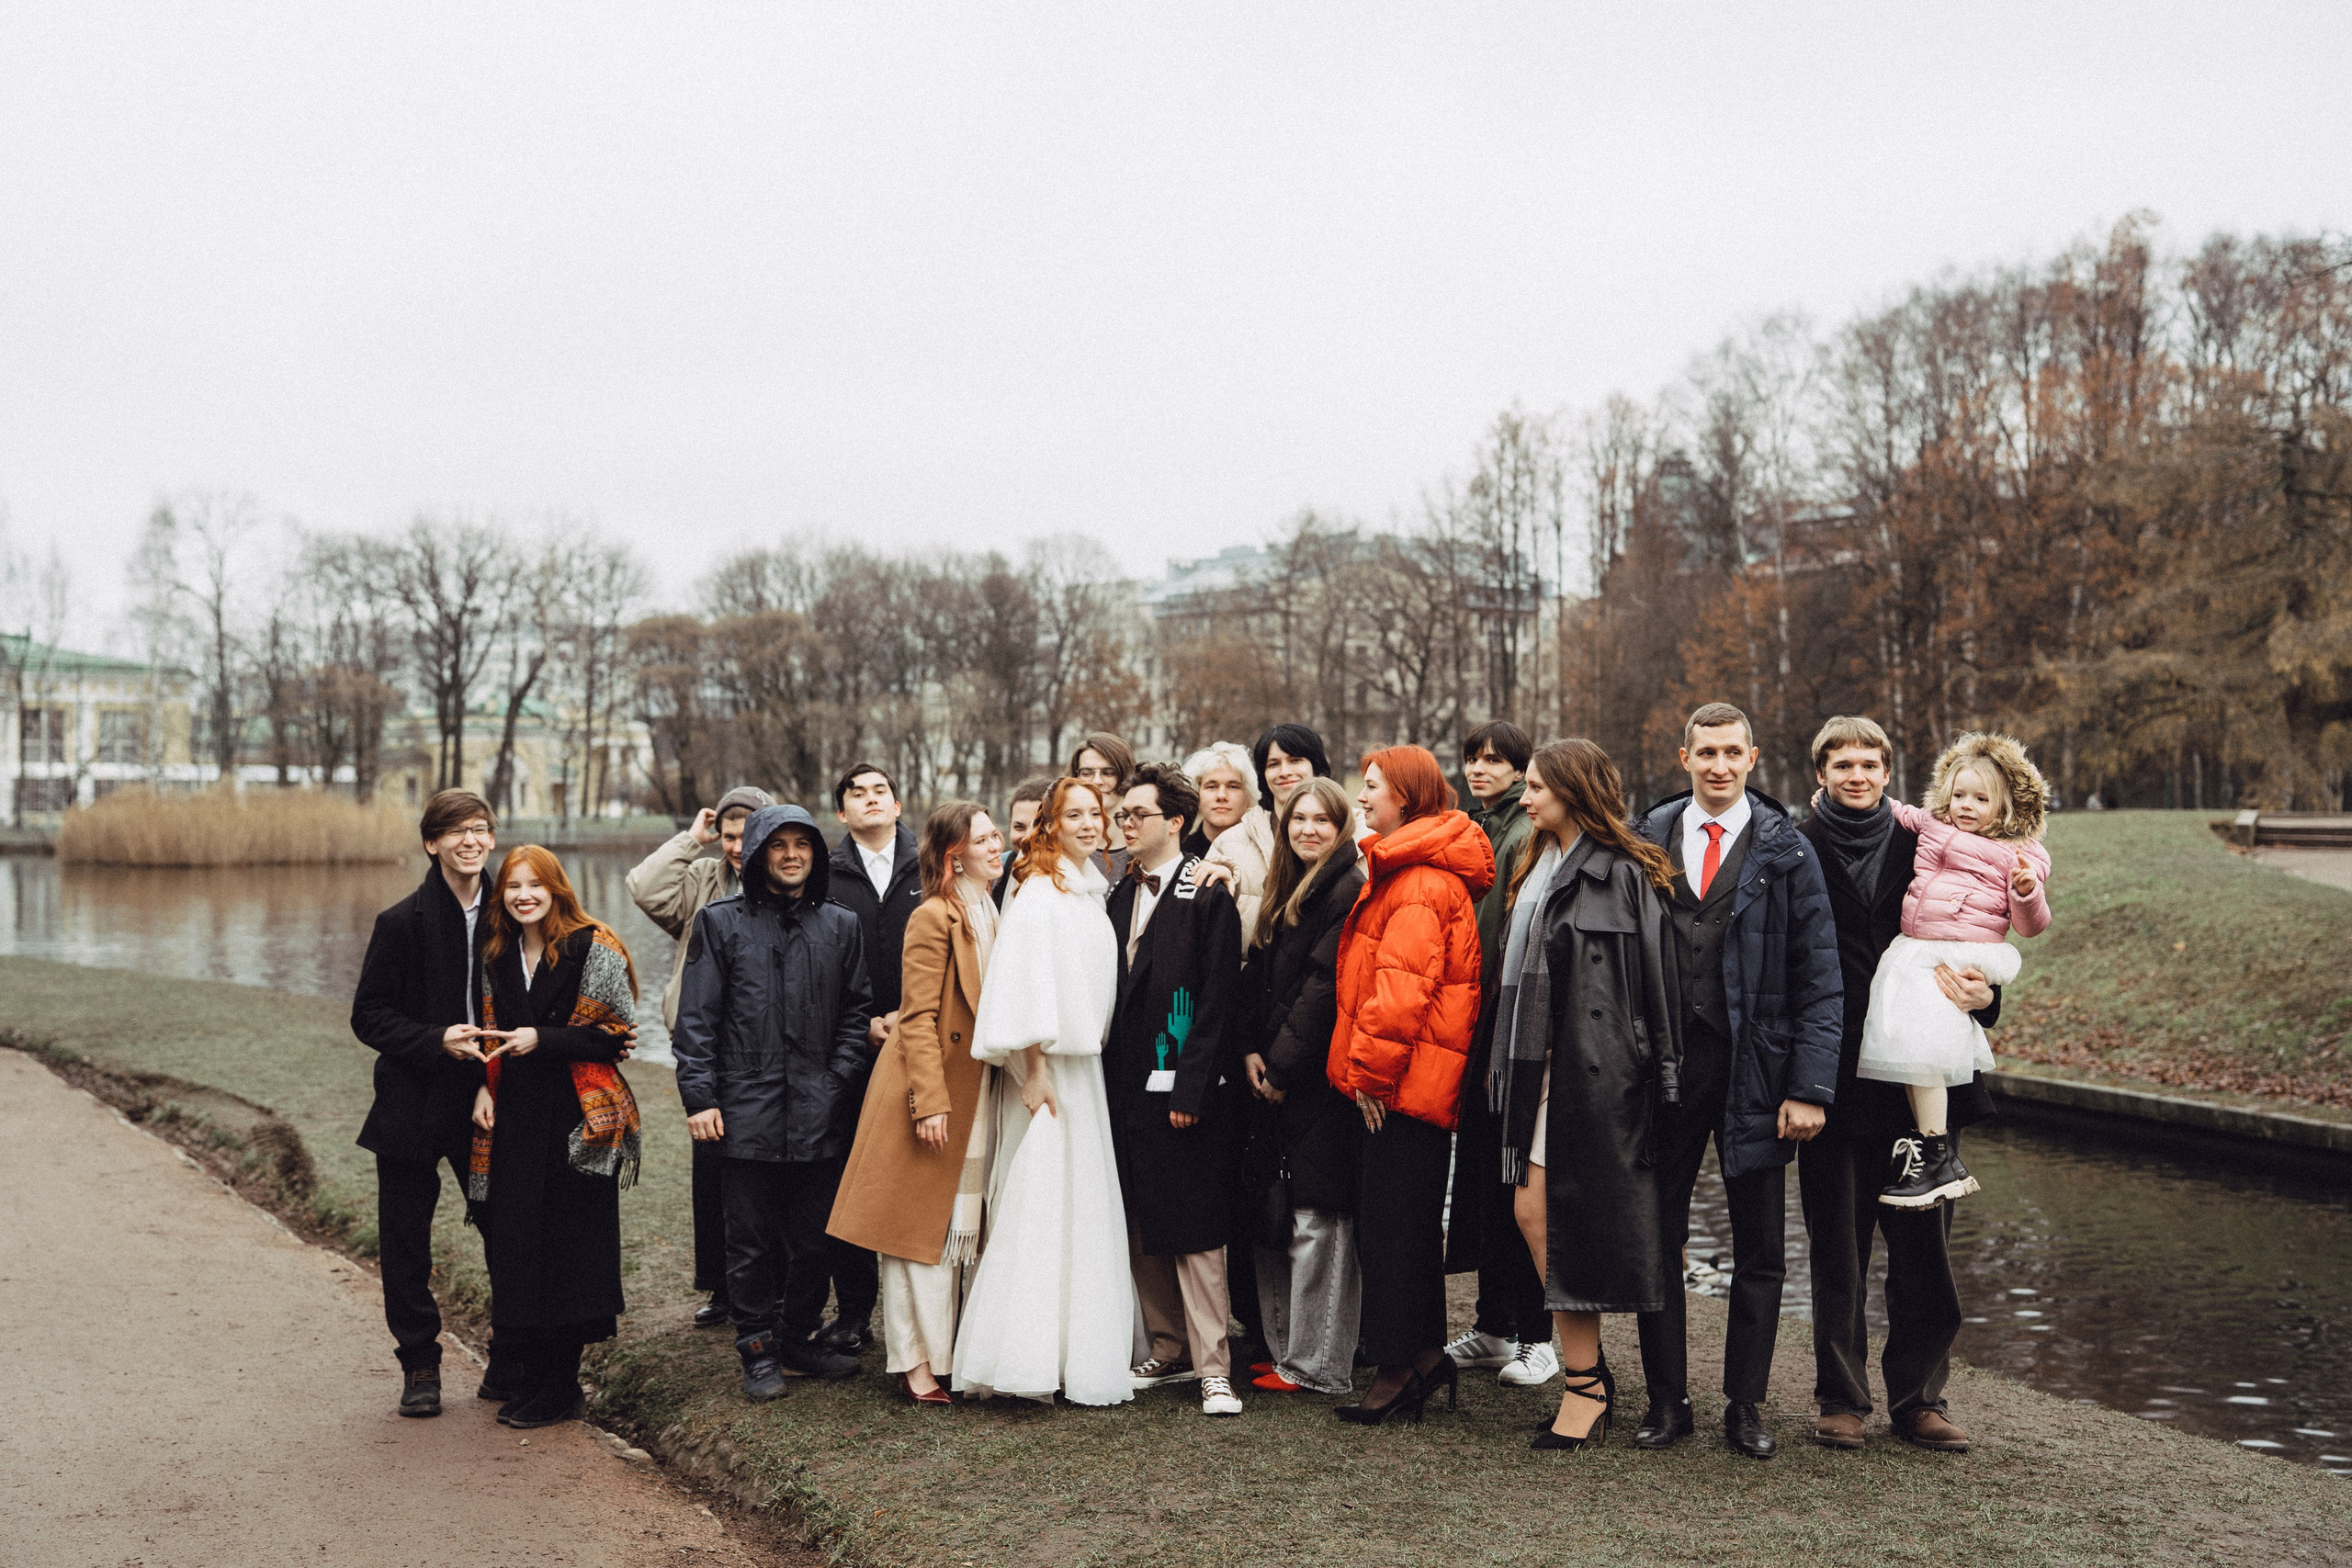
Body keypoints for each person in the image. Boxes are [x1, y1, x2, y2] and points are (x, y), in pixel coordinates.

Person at [1631, 702, 1843, 1460]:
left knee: (1759, 1246)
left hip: (1758, 1073)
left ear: (1753, 757)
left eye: (1731, 752)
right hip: (1665, 1074)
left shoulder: (1788, 851)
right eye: (1705, 752)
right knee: (1657, 1236)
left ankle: (1744, 1405)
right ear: (1682, 755)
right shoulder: (1645, 841)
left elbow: (1821, 979)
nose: (1718, 765)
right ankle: (1666, 1400)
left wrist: (1810, 1087)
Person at [1798, 716, 2005, 1454]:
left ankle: (1919, 1398)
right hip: (1834, 1080)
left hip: (1925, 1081)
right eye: (1842, 763)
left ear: (1889, 771)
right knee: (1838, 1254)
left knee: (1927, 1256)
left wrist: (1989, 996)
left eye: (1870, 762)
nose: (1857, 774)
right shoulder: (1796, 845)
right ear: (1819, 772)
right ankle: (1842, 1397)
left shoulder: (1930, 844)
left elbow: (1981, 930)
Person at [1487, 742, 1683, 1451]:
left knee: (1540, 1213)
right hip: (1538, 1069)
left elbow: (1656, 983)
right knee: (1534, 1212)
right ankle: (1586, 1379)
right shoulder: (1534, 864)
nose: (1527, 796)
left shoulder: (1624, 873)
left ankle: (1585, 1384)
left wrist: (1660, 1075)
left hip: (1594, 1075)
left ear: (1573, 790)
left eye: (1537, 786)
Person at [673, 804, 875, 1400]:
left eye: (802, 844)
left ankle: (795, 1335)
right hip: (745, 1111)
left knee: (816, 1238)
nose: (791, 854)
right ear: (759, 853)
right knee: (751, 1239)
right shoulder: (722, 923)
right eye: (779, 844)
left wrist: (836, 1081)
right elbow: (697, 1019)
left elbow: (855, 1012)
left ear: (815, 853)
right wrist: (701, 1096)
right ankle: (757, 1347)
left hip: (819, 1111)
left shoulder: (840, 926)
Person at [951, 778, 1136, 1405]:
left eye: (1096, 813)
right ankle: (1024, 1356)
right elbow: (1023, 987)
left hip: (1086, 1067)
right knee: (1044, 1203)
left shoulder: (1087, 888)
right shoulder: (1038, 893)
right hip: (1051, 1067)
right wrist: (1033, 1070)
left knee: (1081, 1205)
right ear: (1050, 824)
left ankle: (1072, 1351)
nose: (1089, 823)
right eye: (1074, 814)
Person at [1329, 746, 1493, 1426]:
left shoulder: (1421, 880)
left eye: (1371, 788)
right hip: (1412, 1082)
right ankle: (1426, 1356)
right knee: (1411, 1226)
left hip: (1399, 1085)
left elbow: (1401, 993)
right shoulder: (1408, 868)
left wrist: (1368, 1075)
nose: (1360, 797)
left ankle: (1398, 1368)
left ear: (1406, 797)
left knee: (1392, 1230)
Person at [827, 802, 1006, 1404]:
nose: (998, 843)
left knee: (961, 1227)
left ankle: (951, 1351)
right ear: (955, 854)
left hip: (978, 1088)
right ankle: (915, 1364)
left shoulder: (990, 909)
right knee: (915, 1233)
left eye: (997, 833)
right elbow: (920, 1016)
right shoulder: (933, 916)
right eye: (985, 837)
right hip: (929, 1089)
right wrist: (928, 1102)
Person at [465, 845, 641, 1428]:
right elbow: (491, 1038)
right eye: (512, 886)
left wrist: (545, 1038)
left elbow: (615, 1036)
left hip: (577, 1121)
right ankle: (537, 1376)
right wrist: (486, 1086)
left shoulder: (593, 946)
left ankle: (562, 1385)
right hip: (515, 1115)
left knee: (572, 1252)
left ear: (556, 889)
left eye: (534, 885)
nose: (523, 896)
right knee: (521, 1248)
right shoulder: (496, 954)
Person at [351, 788, 502, 1417]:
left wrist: (492, 1082)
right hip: (413, 1097)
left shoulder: (515, 912)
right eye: (456, 830)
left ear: (492, 838)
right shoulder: (400, 923)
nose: (471, 840)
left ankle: (512, 1354)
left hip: (489, 1099)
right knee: (405, 1238)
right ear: (431, 842)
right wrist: (435, 1038)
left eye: (480, 828)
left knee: (508, 1228)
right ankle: (419, 1362)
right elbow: (368, 1016)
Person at [1105, 763, 1248, 1418]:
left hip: (1187, 1087)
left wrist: (1192, 1086)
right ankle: (1169, 1346)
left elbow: (1219, 998)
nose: (1124, 823)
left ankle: (1214, 1365)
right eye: (1122, 814)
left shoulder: (1207, 891)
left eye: (1137, 813)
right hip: (1124, 1086)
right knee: (1141, 1218)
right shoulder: (1114, 895)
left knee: (1196, 1227)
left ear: (1175, 822)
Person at [1854, 733, 2051, 1208]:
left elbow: (2031, 925)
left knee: (1922, 1047)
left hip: (1962, 950)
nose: (1966, 806)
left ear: (2004, 806)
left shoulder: (2018, 854)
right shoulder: (1933, 825)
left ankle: (1938, 1152)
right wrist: (1859, 797)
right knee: (1908, 1044)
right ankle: (1936, 1152)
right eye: (1959, 794)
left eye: (1981, 799)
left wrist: (2026, 891)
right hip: (1918, 948)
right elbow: (1899, 810)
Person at [626, 784, 774, 1329]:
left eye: (748, 834)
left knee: (764, 1176)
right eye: (730, 836)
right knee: (710, 1170)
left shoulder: (789, 878)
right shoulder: (702, 880)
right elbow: (643, 888)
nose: (738, 846)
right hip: (706, 1044)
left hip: (763, 1044)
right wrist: (693, 838)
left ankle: (768, 1286)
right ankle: (721, 1284)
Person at [1238, 775, 1365, 1395]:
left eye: (1322, 819)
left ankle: (1321, 1363)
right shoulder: (1289, 888)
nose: (1308, 828)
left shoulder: (1348, 886)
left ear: (1341, 827)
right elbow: (1264, 983)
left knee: (1322, 1217)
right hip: (1277, 1074)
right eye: (1298, 820)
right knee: (1282, 1214)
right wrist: (1254, 1052)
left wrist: (1281, 1065)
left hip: (1317, 1080)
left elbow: (1323, 989)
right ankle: (1289, 1350)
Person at [1442, 720, 1555, 1390]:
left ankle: (1535, 1332)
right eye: (1473, 758)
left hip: (1503, 1016)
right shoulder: (1476, 824)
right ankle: (1494, 1323)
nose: (1481, 768)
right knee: (1487, 1178)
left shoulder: (1520, 833)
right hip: (1479, 1017)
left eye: (1497, 760)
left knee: (1518, 1181)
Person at [815, 761, 923, 1355]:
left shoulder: (931, 866)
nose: (869, 798)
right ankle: (854, 1312)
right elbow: (819, 966)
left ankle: (925, 1318)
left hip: (924, 1045)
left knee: (919, 1176)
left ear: (898, 804)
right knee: (851, 1179)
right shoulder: (825, 874)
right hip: (853, 1047)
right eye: (856, 793)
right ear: (842, 812)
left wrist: (909, 1019)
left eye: (880, 789)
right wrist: (863, 1026)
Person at [1204, 722, 1342, 932]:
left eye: (1295, 760)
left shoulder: (1359, 833)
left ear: (1316, 765)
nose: (1284, 772)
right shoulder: (1228, 844)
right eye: (1273, 764)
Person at [1070, 731, 1137, 879]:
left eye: (1108, 773)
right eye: (1087, 773)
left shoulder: (1143, 838)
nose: (1097, 781)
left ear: (1126, 776)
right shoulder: (1063, 841)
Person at [1181, 742, 1260, 859]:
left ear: (1249, 797)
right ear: (1196, 794)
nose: (1221, 796)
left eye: (1233, 786)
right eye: (1212, 787)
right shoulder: (1178, 854)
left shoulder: (1264, 853)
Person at [992, 774, 1056, 908]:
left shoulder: (1073, 878)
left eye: (1038, 827)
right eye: (1019, 827)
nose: (1028, 837)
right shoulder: (995, 872)